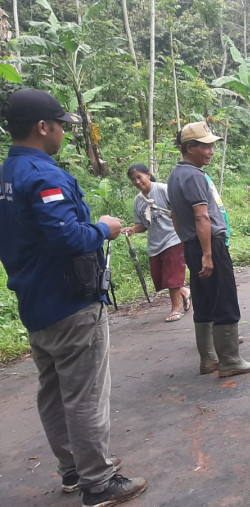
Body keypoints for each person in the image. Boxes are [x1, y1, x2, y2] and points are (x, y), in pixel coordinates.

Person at [0, 88, 147, 505]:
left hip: (34, 302)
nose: (63, 132)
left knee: (52, 390)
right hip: (70, 302)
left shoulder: (6, 175)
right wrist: (104, 227)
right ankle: (98, 482)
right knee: (83, 393)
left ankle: (72, 470)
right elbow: (67, 236)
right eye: (61, 125)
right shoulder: (43, 175)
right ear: (42, 127)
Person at [167, 121, 250, 377]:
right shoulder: (195, 176)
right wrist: (208, 254)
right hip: (210, 245)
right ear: (189, 148)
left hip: (192, 244)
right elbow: (202, 217)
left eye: (211, 146)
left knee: (204, 299)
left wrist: (189, 245)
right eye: (205, 146)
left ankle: (208, 359)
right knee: (225, 297)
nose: (210, 151)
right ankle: (230, 361)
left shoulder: (175, 175)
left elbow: (174, 215)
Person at [122, 163, 191, 323]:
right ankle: (185, 292)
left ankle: (175, 309)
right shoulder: (138, 200)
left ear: (148, 174)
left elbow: (180, 210)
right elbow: (143, 225)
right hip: (155, 243)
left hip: (173, 238)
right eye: (133, 179)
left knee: (172, 276)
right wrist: (132, 229)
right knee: (161, 279)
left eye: (139, 177)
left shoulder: (163, 189)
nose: (137, 181)